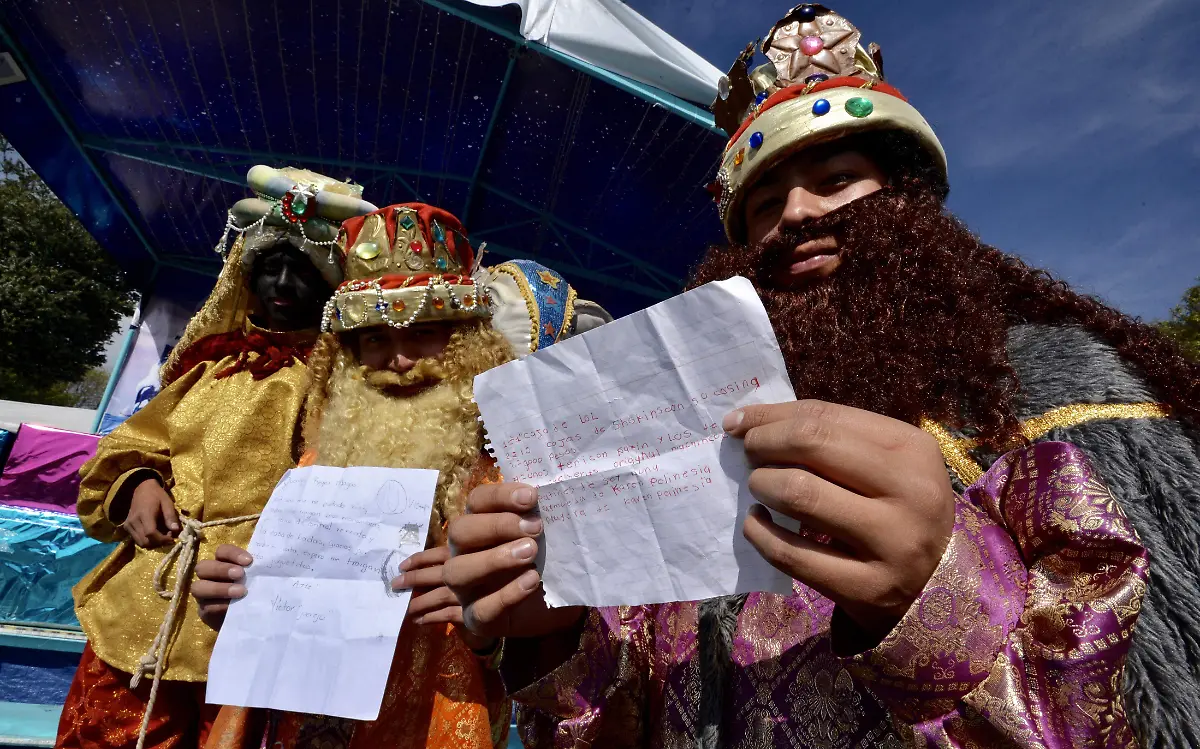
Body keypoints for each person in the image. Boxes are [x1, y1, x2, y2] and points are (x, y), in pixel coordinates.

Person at [445, 5, 1200, 746]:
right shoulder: (686, 450)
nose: (797, 215)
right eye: (764, 204)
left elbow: (1168, 700)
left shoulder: (1065, 395)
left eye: (836, 178)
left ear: (909, 200)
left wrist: (948, 603)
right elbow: (641, 705)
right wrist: (561, 635)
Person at [189, 202, 609, 749]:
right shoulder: (316, 466)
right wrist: (237, 606)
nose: (400, 360)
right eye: (374, 339)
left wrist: (492, 631)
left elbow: (572, 656)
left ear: (469, 342)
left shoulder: (513, 474)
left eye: (425, 333)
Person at [58, 166, 376, 749]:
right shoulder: (211, 368)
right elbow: (129, 445)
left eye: (304, 270)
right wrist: (136, 484)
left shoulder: (350, 388)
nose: (284, 283)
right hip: (145, 607)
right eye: (270, 266)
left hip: (256, 625)